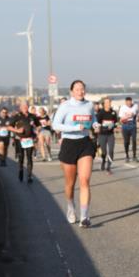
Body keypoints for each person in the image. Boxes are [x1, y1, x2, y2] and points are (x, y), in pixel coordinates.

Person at [52, 80, 96, 227]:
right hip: (69, 144)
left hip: (85, 143)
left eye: (82, 89)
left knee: (84, 180)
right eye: (77, 89)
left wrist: (96, 125)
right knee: (70, 184)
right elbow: (55, 125)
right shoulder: (65, 106)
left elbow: (93, 120)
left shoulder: (89, 105)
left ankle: (84, 217)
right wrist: (75, 127)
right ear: (71, 91)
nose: (80, 91)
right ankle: (71, 208)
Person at [8, 100, 39, 183]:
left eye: (26, 106)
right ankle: (21, 170)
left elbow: (38, 125)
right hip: (19, 139)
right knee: (21, 157)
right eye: (23, 106)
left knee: (29, 157)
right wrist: (17, 130)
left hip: (29, 139)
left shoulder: (32, 116)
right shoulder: (17, 116)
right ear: (20, 108)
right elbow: (9, 127)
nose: (25, 108)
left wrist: (37, 131)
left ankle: (29, 176)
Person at [95, 97, 119, 174]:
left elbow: (116, 122)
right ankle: (103, 161)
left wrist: (115, 127)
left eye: (109, 102)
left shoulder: (113, 113)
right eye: (106, 103)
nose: (108, 104)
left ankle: (109, 167)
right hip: (102, 135)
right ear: (104, 104)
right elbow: (96, 123)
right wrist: (98, 128)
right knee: (104, 152)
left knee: (111, 150)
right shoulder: (100, 113)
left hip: (110, 135)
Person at [118, 96, 139, 162]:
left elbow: (136, 113)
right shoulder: (122, 108)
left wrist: (136, 116)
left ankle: (134, 156)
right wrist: (124, 119)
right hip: (125, 125)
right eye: (127, 102)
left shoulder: (135, 106)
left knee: (134, 140)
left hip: (133, 125)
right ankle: (127, 155)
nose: (129, 103)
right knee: (126, 141)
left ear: (131, 101)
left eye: (130, 102)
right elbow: (120, 119)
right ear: (125, 102)